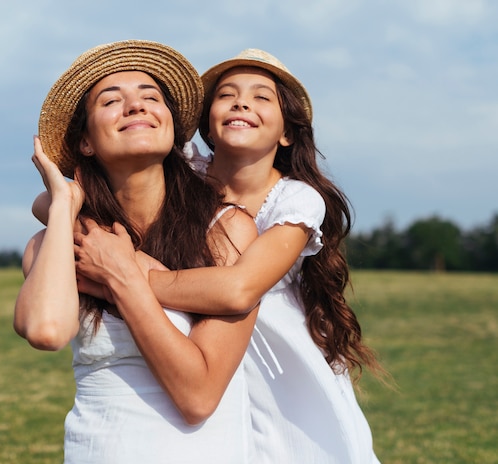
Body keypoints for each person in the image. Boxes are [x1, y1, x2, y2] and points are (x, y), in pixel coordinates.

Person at [72, 49, 384, 463]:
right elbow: (61, 199)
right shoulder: (187, 178)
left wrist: (124, 274)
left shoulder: (295, 200)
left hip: (277, 370)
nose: (242, 103)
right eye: (228, 95)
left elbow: (238, 290)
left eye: (261, 97)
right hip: (201, 347)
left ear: (287, 133)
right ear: (207, 129)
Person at [14, 40, 259, 464]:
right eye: (112, 101)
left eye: (151, 97)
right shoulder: (60, 243)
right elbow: (46, 331)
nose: (136, 107)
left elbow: (198, 396)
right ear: (86, 142)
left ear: (169, 124)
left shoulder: (227, 231)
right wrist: (61, 203)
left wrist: (120, 276)